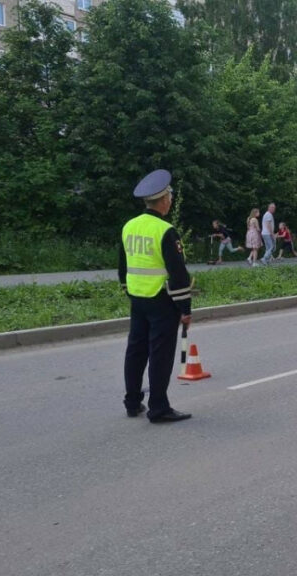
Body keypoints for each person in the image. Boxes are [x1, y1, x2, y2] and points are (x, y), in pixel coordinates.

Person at [119, 169, 192, 424]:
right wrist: (185, 309)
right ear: (163, 200)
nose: (171, 199)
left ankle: (131, 401)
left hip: (137, 298)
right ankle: (159, 407)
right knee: (160, 354)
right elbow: (178, 273)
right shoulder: (165, 230)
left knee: (135, 350)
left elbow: (123, 266)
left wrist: (128, 291)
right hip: (162, 300)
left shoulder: (129, 226)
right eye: (170, 196)